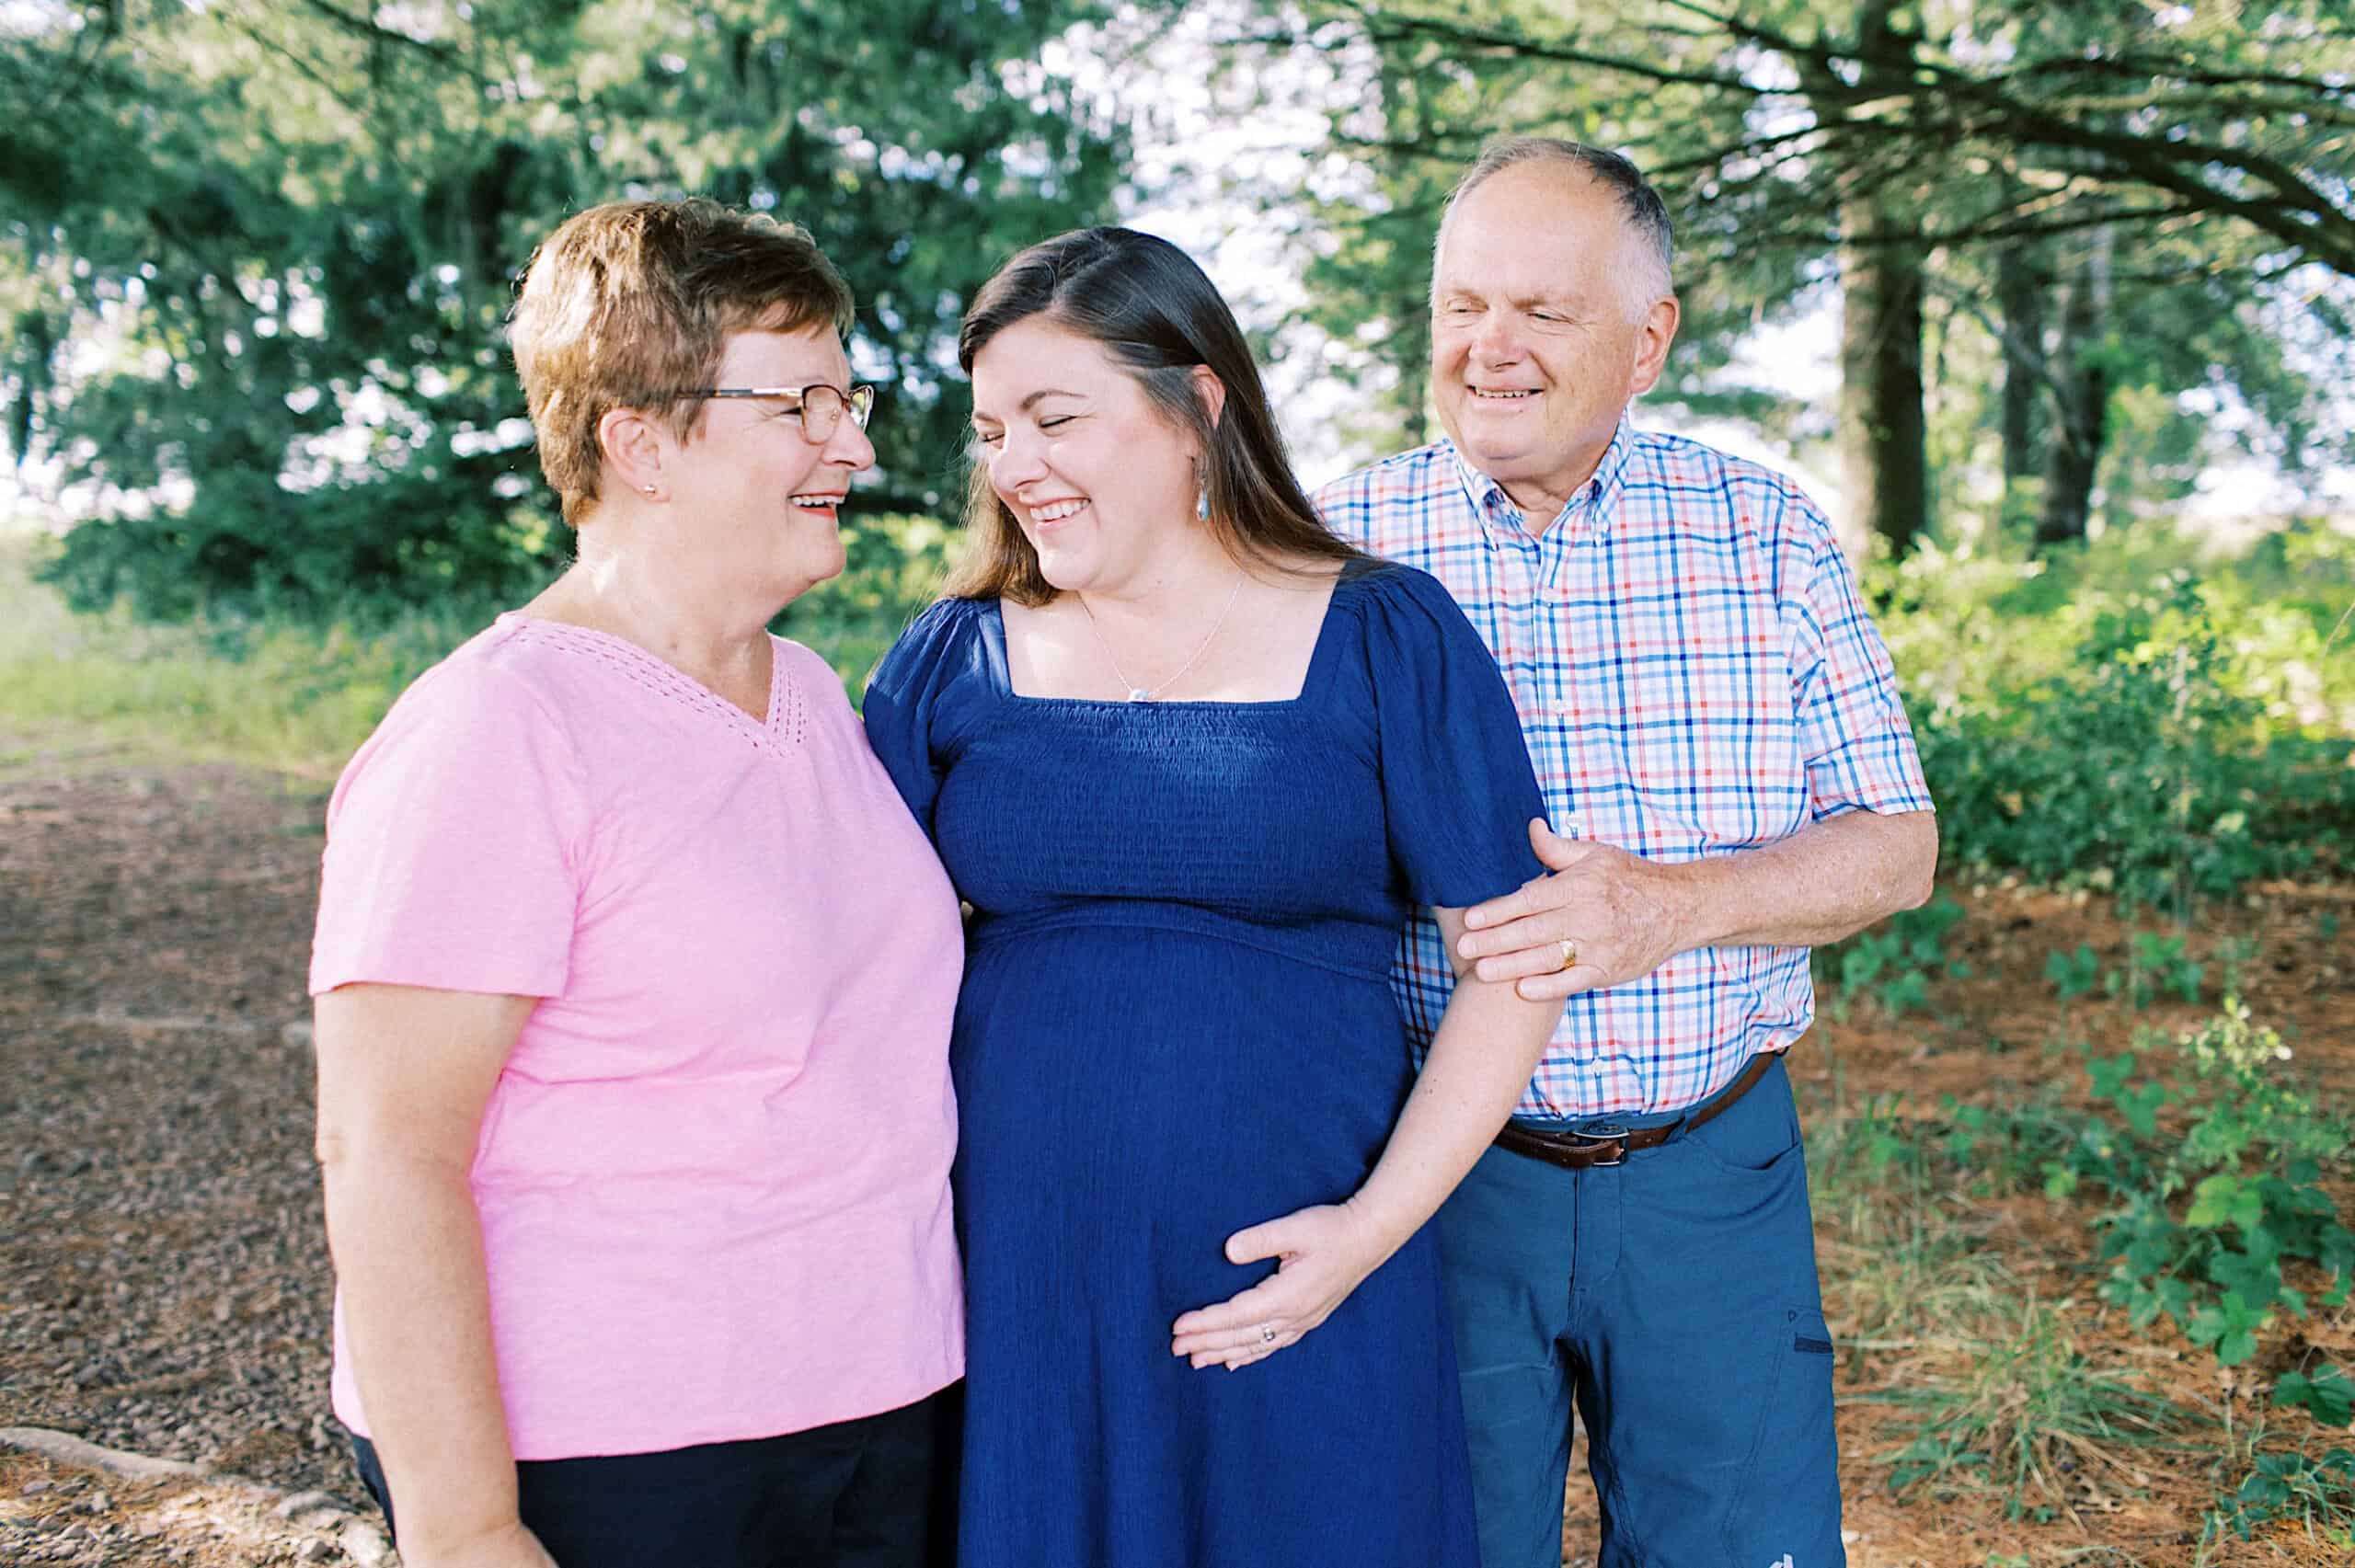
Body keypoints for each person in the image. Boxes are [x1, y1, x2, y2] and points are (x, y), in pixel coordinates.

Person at [861, 225, 1569, 1568]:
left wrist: (1367, 1235)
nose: (1015, 463)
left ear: (1196, 406)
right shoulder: (951, 654)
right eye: (993, 428)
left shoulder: (1387, 634)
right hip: (1021, 1288)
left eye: (1055, 416)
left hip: (1303, 1275)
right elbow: (848, 952)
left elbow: (1517, 959)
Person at [308, 199, 964, 1568]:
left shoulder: (813, 693)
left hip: (884, 1404)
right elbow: (386, 1155)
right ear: (642, 440)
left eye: (849, 398)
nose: (856, 443)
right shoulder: (497, 728)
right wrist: (469, 1528)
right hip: (618, 1459)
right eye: (805, 402)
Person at [1315, 136, 1940, 1568]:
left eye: (1542, 310)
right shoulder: (1341, 545)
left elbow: (1898, 846)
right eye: (1462, 306)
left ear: (1650, 338)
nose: (1490, 347)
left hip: (1709, 1178)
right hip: (1437, 1180)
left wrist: (1675, 907)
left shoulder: (1763, 530)